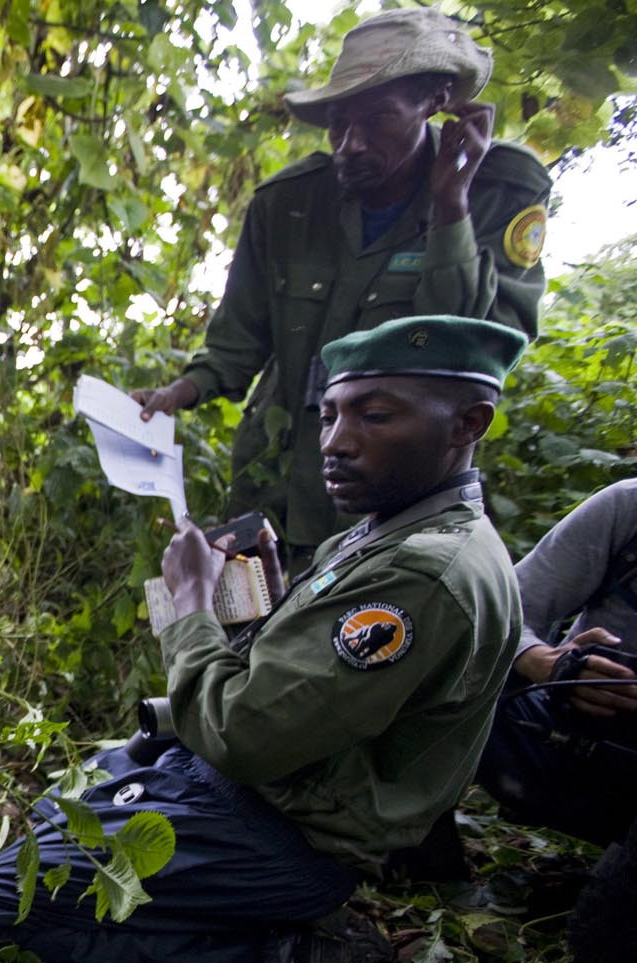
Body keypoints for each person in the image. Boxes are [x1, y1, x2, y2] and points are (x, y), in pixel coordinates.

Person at [0, 315, 526, 963]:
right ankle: (258, 928)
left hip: (280, 829)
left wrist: (187, 605)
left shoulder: (425, 571)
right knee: (63, 807)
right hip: (257, 790)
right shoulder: (386, 531)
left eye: (375, 415)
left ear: (468, 423)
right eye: (330, 414)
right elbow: (298, 680)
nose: (336, 441)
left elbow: (244, 733)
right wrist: (257, 596)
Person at [132, 8, 550, 564]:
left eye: (377, 119)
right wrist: (177, 394)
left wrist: (452, 207)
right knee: (250, 637)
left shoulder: (500, 191)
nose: (350, 144)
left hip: (396, 502)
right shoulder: (289, 203)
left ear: (436, 102)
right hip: (276, 483)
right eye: (338, 124)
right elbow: (239, 339)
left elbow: (469, 355)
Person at [475, 479, 637, 963]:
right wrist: (547, 662)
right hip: (564, 742)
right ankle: (418, 858)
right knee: (432, 644)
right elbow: (502, 611)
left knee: (603, 959)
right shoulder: (628, 508)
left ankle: (607, 949)